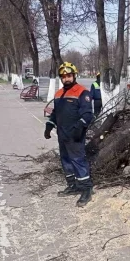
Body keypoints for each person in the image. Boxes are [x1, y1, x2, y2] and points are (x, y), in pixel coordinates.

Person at [44, 62, 94, 207]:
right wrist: (49, 126)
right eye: (63, 76)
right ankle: (73, 185)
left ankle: (86, 189)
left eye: (69, 76)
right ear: (61, 78)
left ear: (74, 76)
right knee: (66, 161)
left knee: (78, 161)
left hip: (75, 135)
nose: (66, 78)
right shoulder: (59, 94)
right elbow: (55, 113)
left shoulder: (82, 92)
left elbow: (88, 114)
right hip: (62, 135)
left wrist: (79, 128)